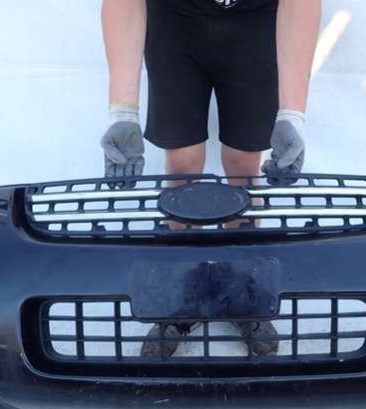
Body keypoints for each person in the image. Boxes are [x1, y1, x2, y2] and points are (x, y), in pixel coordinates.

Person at [101, 0, 321, 357]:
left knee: (244, 164)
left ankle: (243, 287)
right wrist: (122, 111)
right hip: (175, 19)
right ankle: (178, 293)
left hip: (254, 21)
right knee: (182, 164)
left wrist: (292, 114)